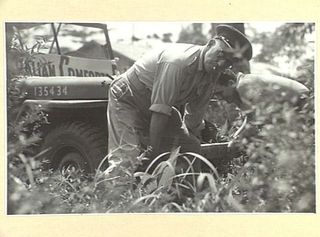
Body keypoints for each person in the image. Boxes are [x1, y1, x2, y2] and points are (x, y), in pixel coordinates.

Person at [106, 25, 253, 174]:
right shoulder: (177, 62)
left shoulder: (212, 75)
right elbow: (160, 113)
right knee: (126, 158)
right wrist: (155, 155)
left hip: (157, 106)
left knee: (191, 147)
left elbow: (194, 117)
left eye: (228, 62)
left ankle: (186, 195)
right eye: (220, 55)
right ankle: (111, 196)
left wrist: (194, 140)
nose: (221, 64)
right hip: (128, 97)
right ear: (209, 44)